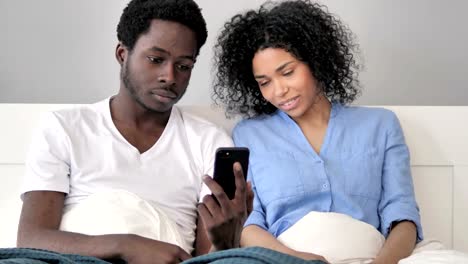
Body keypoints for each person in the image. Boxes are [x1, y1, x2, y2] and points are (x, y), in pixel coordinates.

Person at [17, 0, 251, 263]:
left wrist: (226, 243)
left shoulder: (209, 141)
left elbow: (207, 257)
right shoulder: (65, 127)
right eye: (156, 59)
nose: (170, 76)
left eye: (184, 66)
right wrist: (125, 244)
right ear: (122, 54)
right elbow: (31, 239)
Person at [213, 0, 422, 263]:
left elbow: (402, 216)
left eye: (287, 72)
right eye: (264, 82)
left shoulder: (381, 125)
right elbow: (249, 224)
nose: (278, 91)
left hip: (371, 255)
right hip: (280, 259)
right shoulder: (249, 134)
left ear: (316, 61)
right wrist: (297, 260)